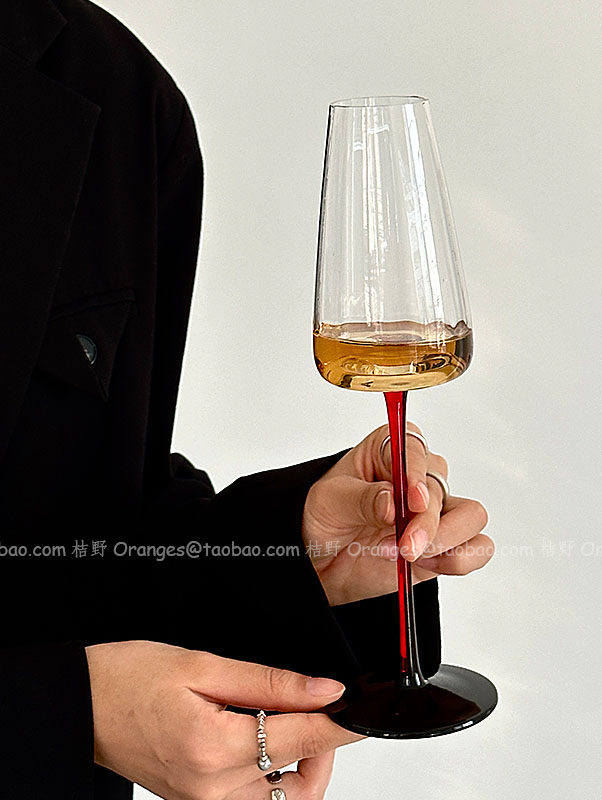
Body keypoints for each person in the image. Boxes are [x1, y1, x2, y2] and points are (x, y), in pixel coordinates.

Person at [0, 1, 493, 798]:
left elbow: (86, 536)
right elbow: (73, 690)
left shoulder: (113, 90)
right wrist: (50, 714)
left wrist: (293, 558)